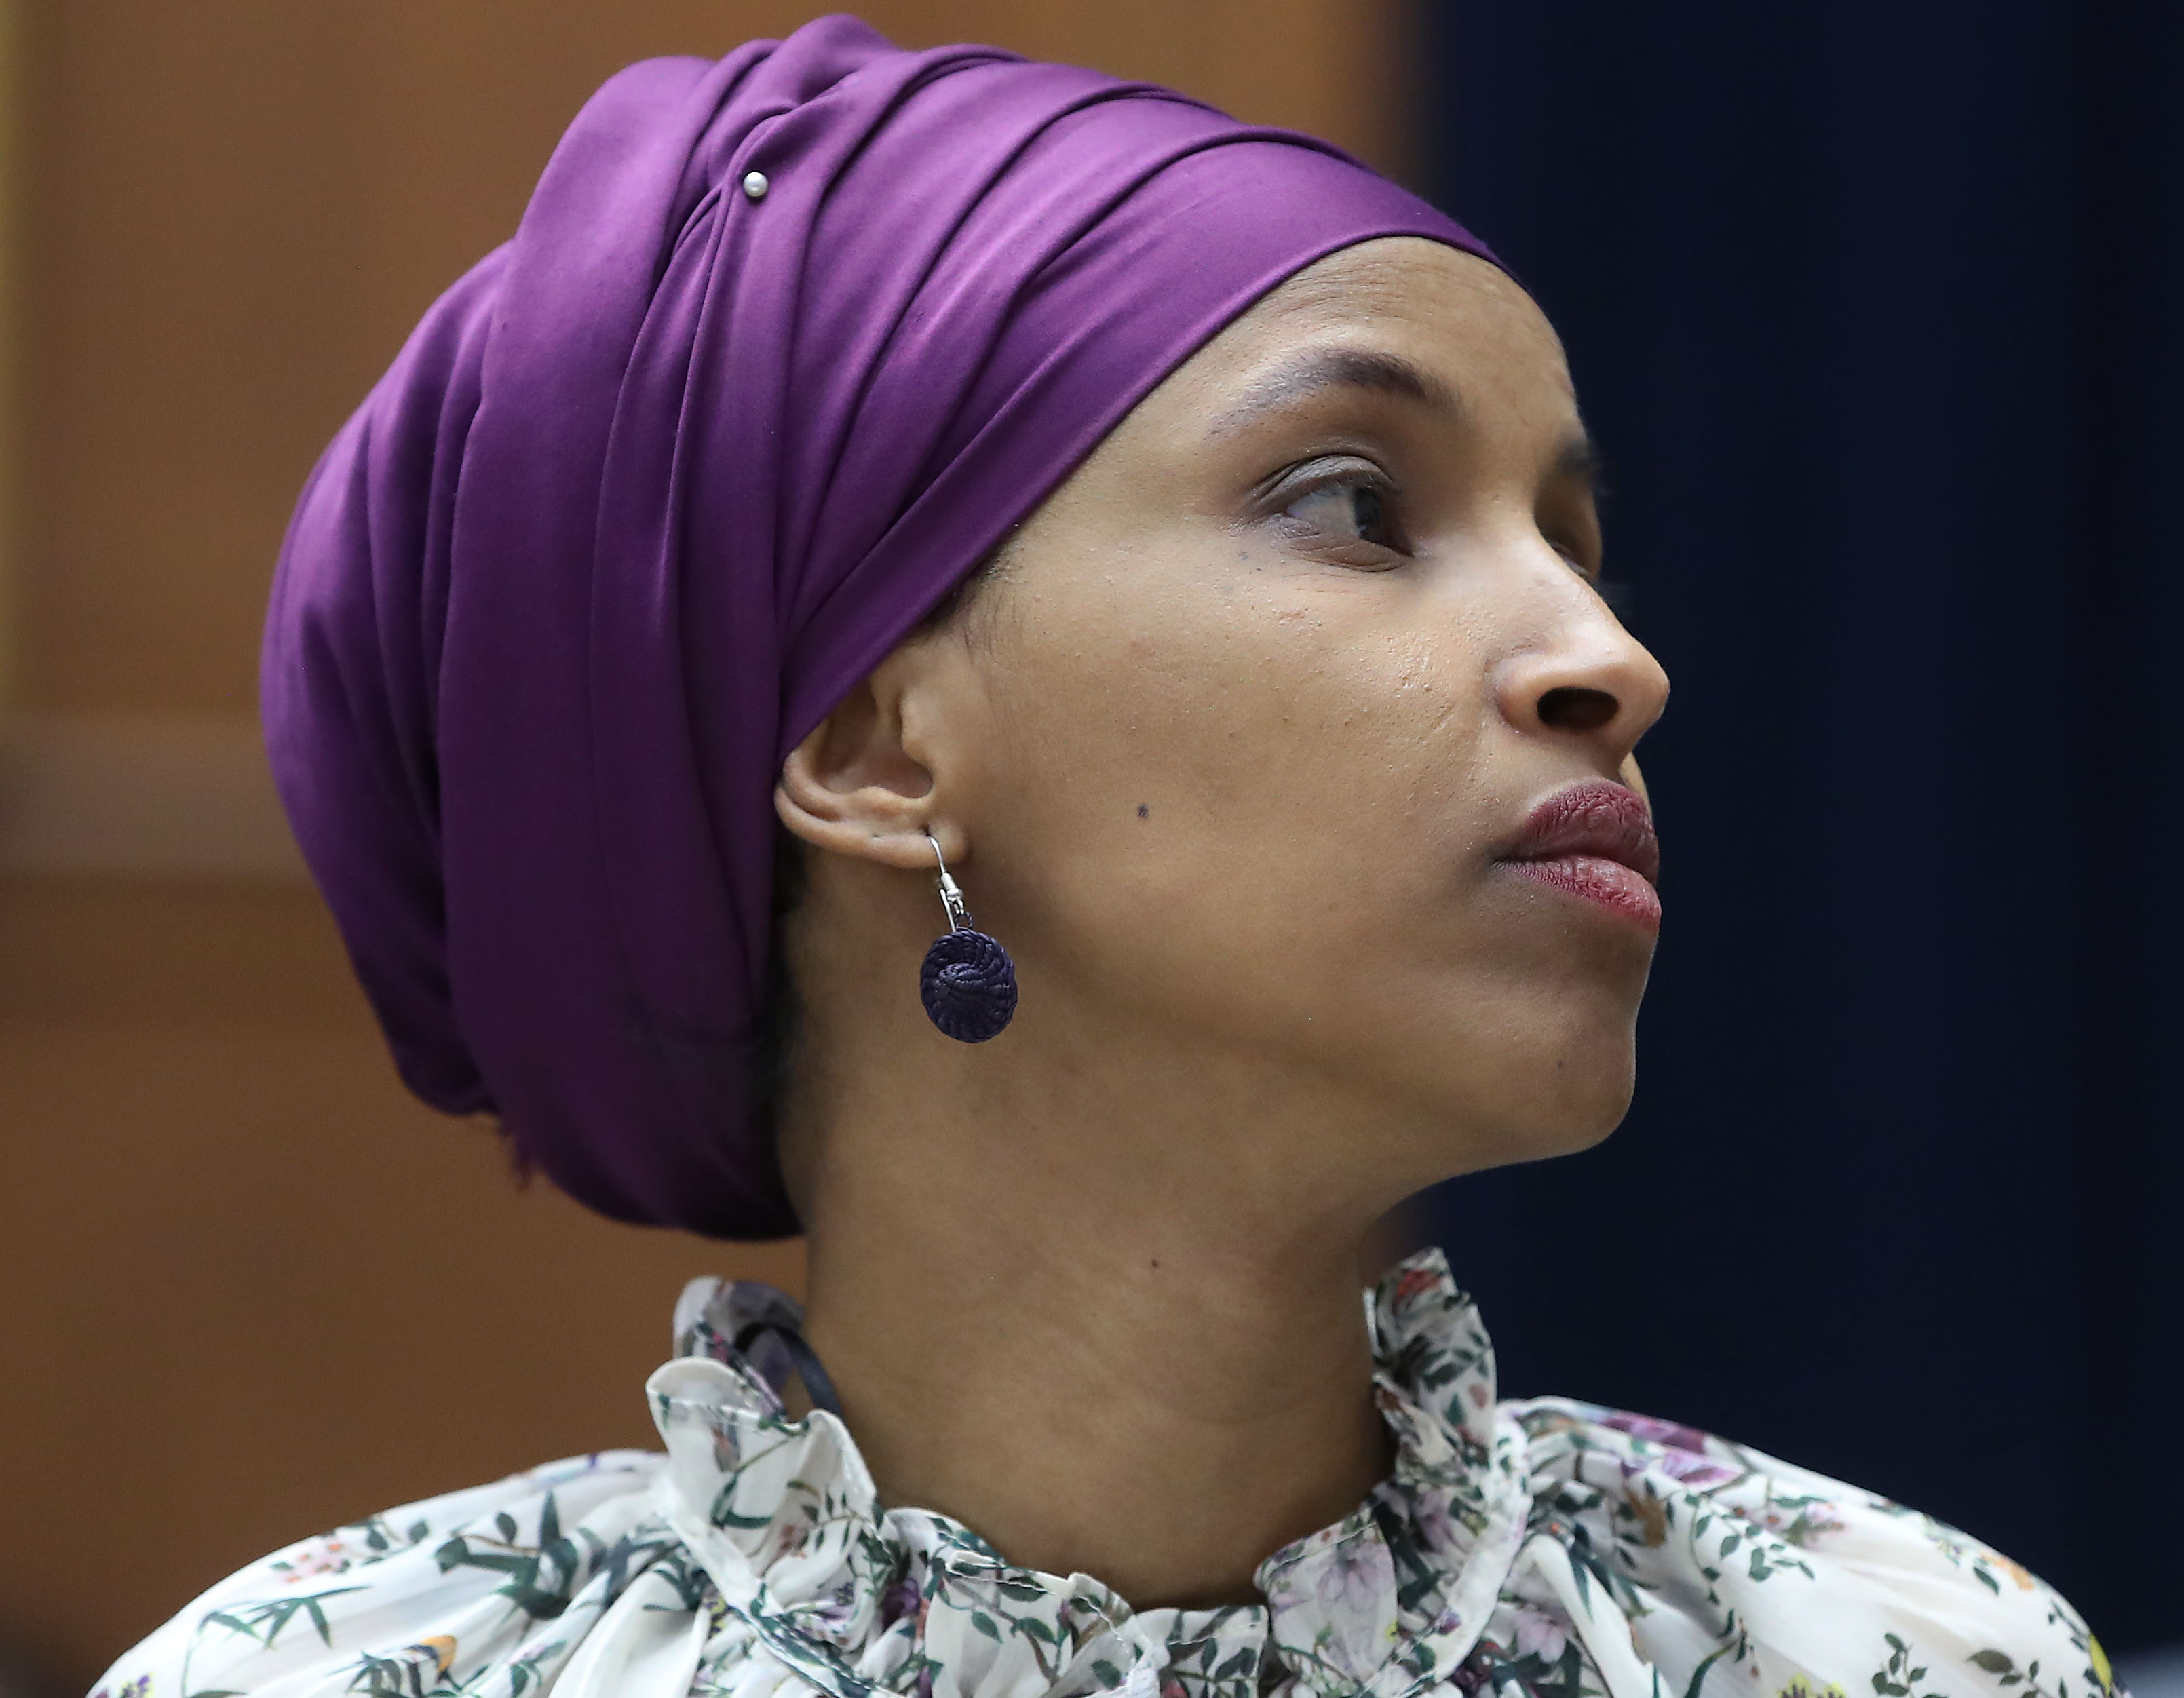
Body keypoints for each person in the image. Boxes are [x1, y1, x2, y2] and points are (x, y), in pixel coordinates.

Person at [94, 17, 2118, 1698]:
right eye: (1354, 503)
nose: (1614, 662)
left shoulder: (1880, 1653)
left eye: (1571, 544)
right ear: (873, 743)